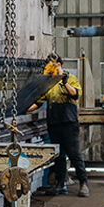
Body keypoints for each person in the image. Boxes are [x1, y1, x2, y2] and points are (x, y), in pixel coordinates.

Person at [27, 54, 89, 197]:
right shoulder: (48, 83)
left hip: (68, 122)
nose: (51, 68)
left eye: (53, 65)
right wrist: (21, 109)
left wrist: (64, 81)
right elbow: (38, 103)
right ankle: (61, 184)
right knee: (58, 156)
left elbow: (75, 94)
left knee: (74, 154)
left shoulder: (71, 79)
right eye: (48, 66)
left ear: (59, 65)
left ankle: (83, 183)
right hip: (54, 122)